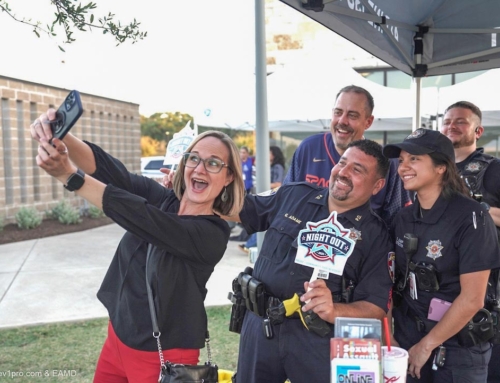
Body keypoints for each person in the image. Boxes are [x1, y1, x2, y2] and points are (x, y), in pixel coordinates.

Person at [30, 109, 245, 382]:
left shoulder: (211, 233)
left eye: (214, 163)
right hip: (118, 338)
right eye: (194, 159)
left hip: (166, 356)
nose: (200, 168)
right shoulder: (165, 200)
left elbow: (143, 218)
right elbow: (116, 176)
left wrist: (71, 176)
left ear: (228, 178)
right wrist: (63, 137)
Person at [228, 139, 394, 383]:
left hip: (317, 339)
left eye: (357, 170)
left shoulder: (376, 235)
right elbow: (238, 208)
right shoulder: (293, 194)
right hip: (261, 326)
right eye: (342, 163)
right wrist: (189, 187)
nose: (343, 172)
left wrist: (334, 310)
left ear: (377, 185)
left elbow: (376, 307)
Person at [384, 128, 500, 382]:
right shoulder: (402, 219)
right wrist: (391, 339)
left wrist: (425, 347)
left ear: (441, 167)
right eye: (402, 160)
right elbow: (391, 282)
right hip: (408, 343)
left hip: (458, 351)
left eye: (414, 159)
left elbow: (472, 299)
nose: (403, 167)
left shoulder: (472, 217)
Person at [283, 85, 411, 226]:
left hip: (362, 246)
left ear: (368, 121)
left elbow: (395, 221)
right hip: (303, 244)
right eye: (338, 113)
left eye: (352, 115)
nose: (342, 121)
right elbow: (286, 201)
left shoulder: (385, 162)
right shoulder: (308, 148)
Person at [440, 101, 500, 383]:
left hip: (483, 291)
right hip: (434, 289)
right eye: (447, 121)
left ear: (478, 130)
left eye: (460, 121)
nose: (452, 125)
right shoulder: (432, 167)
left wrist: (477, 210)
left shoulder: (493, 169)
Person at [239, 145, 286, 252]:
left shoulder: (278, 167)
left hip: (275, 198)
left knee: (263, 220)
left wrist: (264, 184)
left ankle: (249, 245)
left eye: (269, 153)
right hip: (271, 197)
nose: (267, 155)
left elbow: (279, 183)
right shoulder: (272, 166)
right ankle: (249, 244)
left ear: (274, 155)